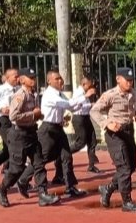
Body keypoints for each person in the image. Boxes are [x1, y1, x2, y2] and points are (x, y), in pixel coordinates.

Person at [0, 68, 61, 208]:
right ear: (22, 80)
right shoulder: (20, 95)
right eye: (30, 77)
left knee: (39, 163)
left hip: (31, 133)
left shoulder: (33, 94)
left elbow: (34, 113)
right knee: (17, 168)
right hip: (19, 135)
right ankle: (1, 189)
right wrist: (32, 114)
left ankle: (43, 194)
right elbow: (13, 116)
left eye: (34, 77)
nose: (33, 80)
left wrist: (39, 115)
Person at [18, 70, 88, 200]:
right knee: (43, 158)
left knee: (66, 156)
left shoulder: (60, 94)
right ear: (49, 81)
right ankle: (23, 180)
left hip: (58, 128)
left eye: (60, 78)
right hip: (48, 129)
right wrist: (85, 96)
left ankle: (70, 187)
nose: (60, 80)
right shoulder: (49, 94)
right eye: (56, 79)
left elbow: (71, 107)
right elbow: (67, 104)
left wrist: (86, 104)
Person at [91, 67, 136, 213]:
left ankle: (107, 188)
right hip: (114, 134)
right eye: (126, 80)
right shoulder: (110, 95)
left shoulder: (134, 94)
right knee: (124, 168)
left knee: (132, 166)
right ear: (118, 79)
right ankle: (126, 201)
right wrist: (107, 123)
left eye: (131, 80)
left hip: (128, 131)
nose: (129, 83)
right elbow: (94, 110)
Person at [69, 75, 101, 173]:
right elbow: (74, 105)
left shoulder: (84, 93)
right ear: (84, 84)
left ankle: (91, 166)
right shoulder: (79, 92)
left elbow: (84, 106)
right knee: (80, 142)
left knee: (92, 141)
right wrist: (86, 96)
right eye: (89, 86)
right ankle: (64, 152)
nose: (91, 88)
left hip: (86, 117)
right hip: (78, 118)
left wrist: (91, 105)